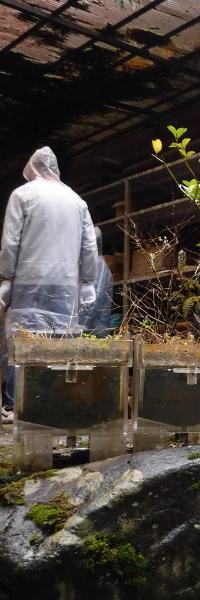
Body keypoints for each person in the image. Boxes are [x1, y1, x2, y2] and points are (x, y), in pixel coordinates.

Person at [0, 146, 99, 419]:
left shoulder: (23, 194)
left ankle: (13, 405)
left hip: (29, 280)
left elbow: (11, 242)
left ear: (32, 169)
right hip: (66, 283)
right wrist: (88, 281)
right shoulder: (77, 201)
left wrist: (7, 277)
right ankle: (52, 401)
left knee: (22, 341)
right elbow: (89, 246)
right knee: (60, 343)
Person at [79, 227, 114, 337]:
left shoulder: (98, 266)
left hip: (94, 332)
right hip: (91, 330)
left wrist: (79, 326)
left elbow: (93, 301)